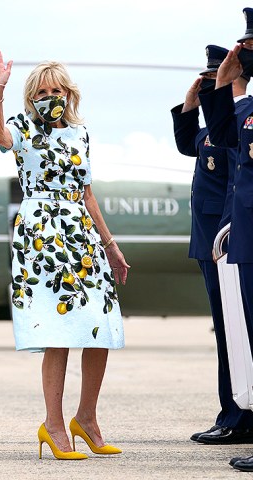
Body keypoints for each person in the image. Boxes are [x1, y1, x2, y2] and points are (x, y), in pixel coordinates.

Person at [0, 48, 130, 460]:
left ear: (69, 93)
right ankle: (52, 424)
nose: (51, 96)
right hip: (42, 235)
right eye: (43, 91)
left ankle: (86, 417)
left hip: (81, 235)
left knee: (100, 325)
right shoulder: (23, 128)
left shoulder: (81, 134)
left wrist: (110, 244)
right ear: (33, 97)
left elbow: (86, 191)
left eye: (57, 89)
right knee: (57, 332)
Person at [171, 45, 253, 445]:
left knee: (235, 334)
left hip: (227, 242)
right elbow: (188, 143)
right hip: (210, 244)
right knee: (227, 333)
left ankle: (238, 415)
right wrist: (190, 102)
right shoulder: (213, 130)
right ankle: (233, 411)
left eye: (211, 82)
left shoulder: (235, 124)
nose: (206, 89)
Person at [199, 7, 253, 472]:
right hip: (243, 240)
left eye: (249, 48)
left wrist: (235, 91)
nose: (244, 55)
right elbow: (221, 135)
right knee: (245, 339)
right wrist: (224, 85)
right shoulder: (245, 105)